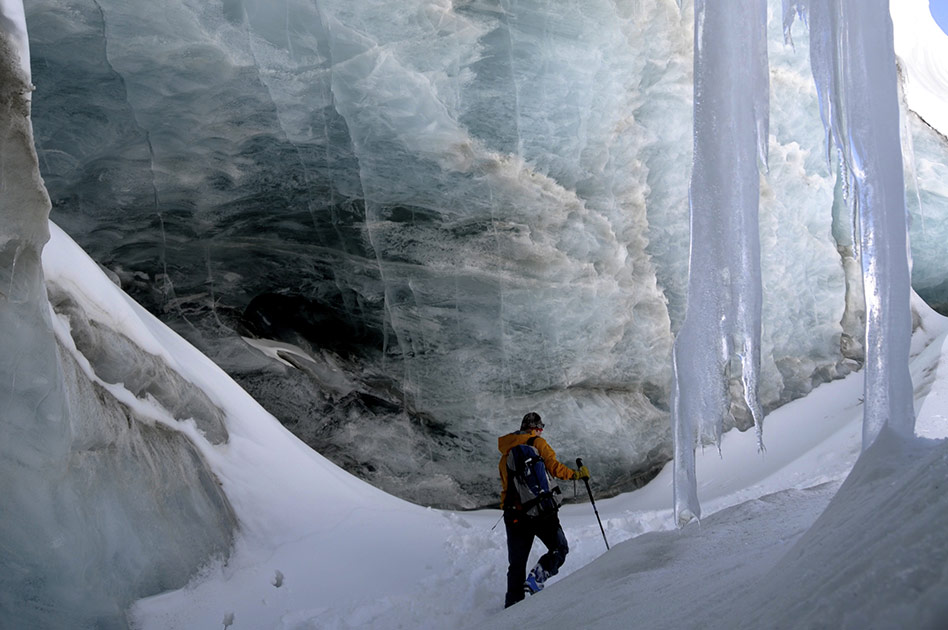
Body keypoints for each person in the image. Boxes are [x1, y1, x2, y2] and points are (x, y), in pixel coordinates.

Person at [498, 411, 590, 608]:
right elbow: (554, 468)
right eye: (539, 429)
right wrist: (576, 475)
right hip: (541, 512)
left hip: (514, 515)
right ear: (535, 429)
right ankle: (537, 577)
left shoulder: (506, 453)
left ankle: (512, 609)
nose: (540, 432)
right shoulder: (538, 444)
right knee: (560, 548)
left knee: (516, 565)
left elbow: (507, 487)